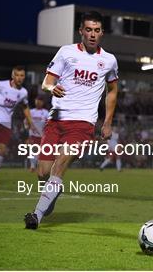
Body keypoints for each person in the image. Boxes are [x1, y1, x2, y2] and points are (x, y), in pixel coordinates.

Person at [24, 11, 119, 229]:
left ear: (102, 33)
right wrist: (51, 88)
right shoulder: (66, 53)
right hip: (56, 121)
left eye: (96, 30)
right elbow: (47, 82)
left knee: (60, 165)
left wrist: (107, 122)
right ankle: (53, 192)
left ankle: (35, 216)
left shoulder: (109, 60)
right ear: (81, 31)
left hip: (83, 124)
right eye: (88, 30)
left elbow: (112, 91)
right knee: (43, 173)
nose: (92, 34)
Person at [0, 66, 36, 187]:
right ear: (13, 76)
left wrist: (30, 121)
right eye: (17, 75)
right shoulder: (1, 85)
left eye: (22, 76)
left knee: (2, 151)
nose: (19, 78)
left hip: (6, 124)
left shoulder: (23, 92)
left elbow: (25, 106)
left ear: (24, 77)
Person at [25, 95, 48, 172]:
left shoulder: (46, 112)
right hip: (33, 135)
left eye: (40, 101)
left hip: (42, 135)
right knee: (33, 150)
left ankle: (38, 166)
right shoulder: (31, 112)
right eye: (37, 100)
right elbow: (25, 122)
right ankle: (32, 166)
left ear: (43, 102)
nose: (38, 102)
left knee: (41, 152)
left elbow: (48, 124)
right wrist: (27, 127)